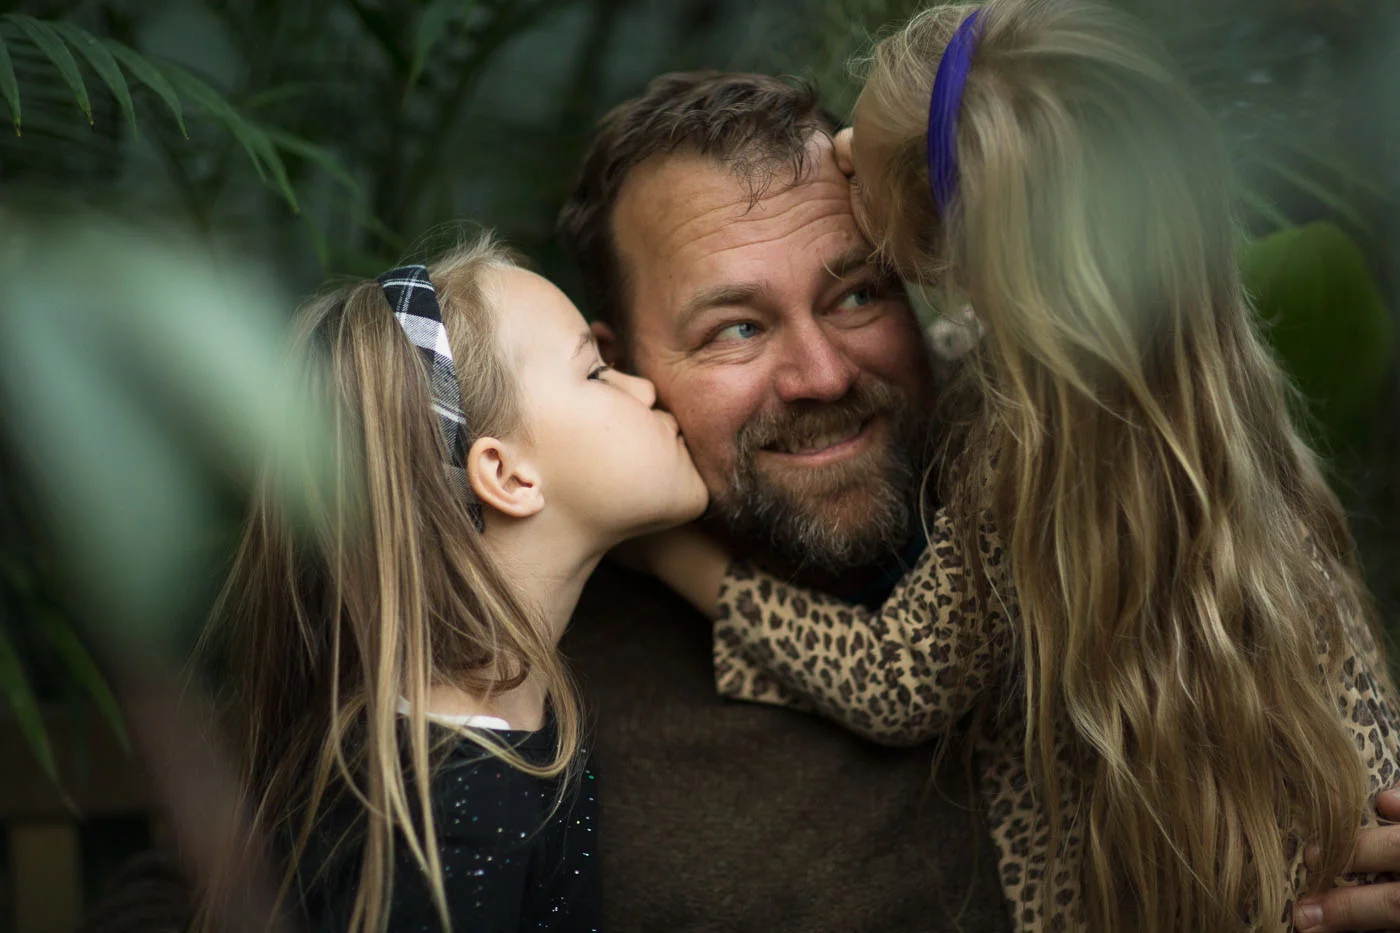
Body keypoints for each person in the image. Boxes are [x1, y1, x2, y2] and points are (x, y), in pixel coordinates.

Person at [558, 66, 1400, 933]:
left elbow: (897, 678)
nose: (824, 374)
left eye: (857, 291)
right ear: (612, 365)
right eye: (735, 327)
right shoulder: (547, 691)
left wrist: (673, 553)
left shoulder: (1049, 441)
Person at [192, 234, 707, 932]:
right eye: (595, 371)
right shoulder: (446, 818)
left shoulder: (491, 728)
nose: (644, 386)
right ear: (508, 476)